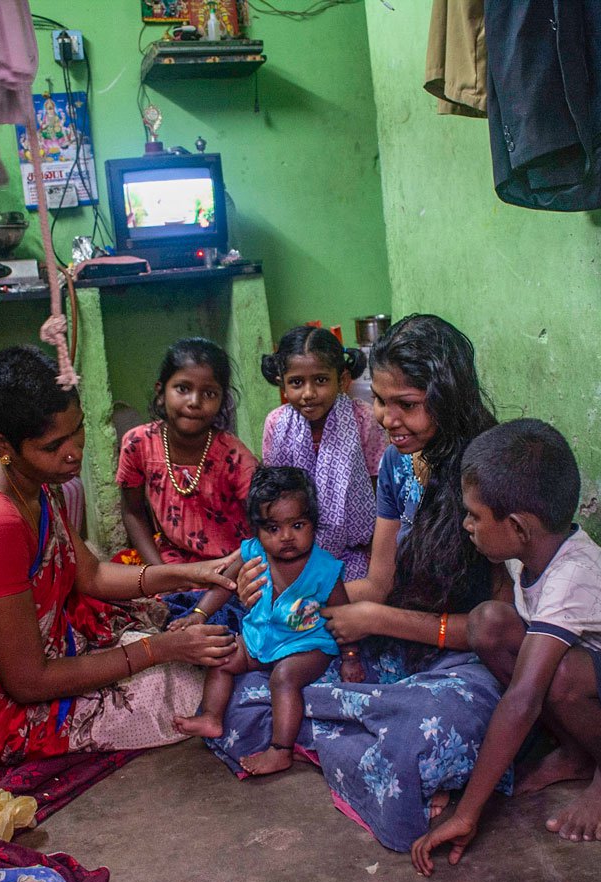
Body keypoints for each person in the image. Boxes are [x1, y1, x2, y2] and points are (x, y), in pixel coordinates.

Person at [219, 315, 511, 851]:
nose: (388, 419)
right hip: (403, 642)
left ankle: (408, 758)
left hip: (468, 656)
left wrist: (376, 620)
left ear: (448, 397)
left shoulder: (487, 474)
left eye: (408, 403)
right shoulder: (400, 467)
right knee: (255, 690)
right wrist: (286, 596)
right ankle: (413, 766)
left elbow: (500, 629)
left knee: (424, 728)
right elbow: (376, 583)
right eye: (379, 400)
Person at [0, 346, 239, 766]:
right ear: (3, 444)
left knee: (180, 642)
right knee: (193, 693)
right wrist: (162, 649)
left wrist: (189, 573)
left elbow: (92, 575)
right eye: (53, 444)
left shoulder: (28, 474)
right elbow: (27, 681)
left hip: (30, 655)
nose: (73, 452)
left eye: (76, 430)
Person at [410, 419, 601, 875]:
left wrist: (468, 812)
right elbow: (503, 639)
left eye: (474, 514)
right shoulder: (527, 556)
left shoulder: (572, 578)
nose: (466, 524)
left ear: (517, 526)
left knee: (557, 676)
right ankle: (577, 753)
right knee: (488, 624)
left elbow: (524, 698)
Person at [173, 466, 364, 774]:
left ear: (314, 524)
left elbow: (344, 617)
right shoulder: (252, 552)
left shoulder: (326, 569)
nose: (286, 537)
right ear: (258, 531)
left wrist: (351, 657)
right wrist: (198, 615)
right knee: (221, 655)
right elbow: (224, 584)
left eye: (297, 525)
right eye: (273, 529)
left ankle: (280, 750)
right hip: (260, 639)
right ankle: (211, 716)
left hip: (308, 645)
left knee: (284, 677)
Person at [117, 337, 258, 566]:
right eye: (183, 389)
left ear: (222, 402)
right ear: (161, 393)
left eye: (209, 394)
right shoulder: (138, 444)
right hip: (170, 563)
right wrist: (160, 573)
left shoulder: (235, 458)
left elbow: (265, 527)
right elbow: (133, 513)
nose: (194, 401)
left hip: (231, 567)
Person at [261, 326, 387, 580]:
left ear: (341, 380)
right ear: (282, 383)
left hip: (354, 548)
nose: (308, 394)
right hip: (293, 548)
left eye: (320, 380)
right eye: (297, 382)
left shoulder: (362, 418)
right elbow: (273, 492)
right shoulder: (276, 423)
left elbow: (377, 484)